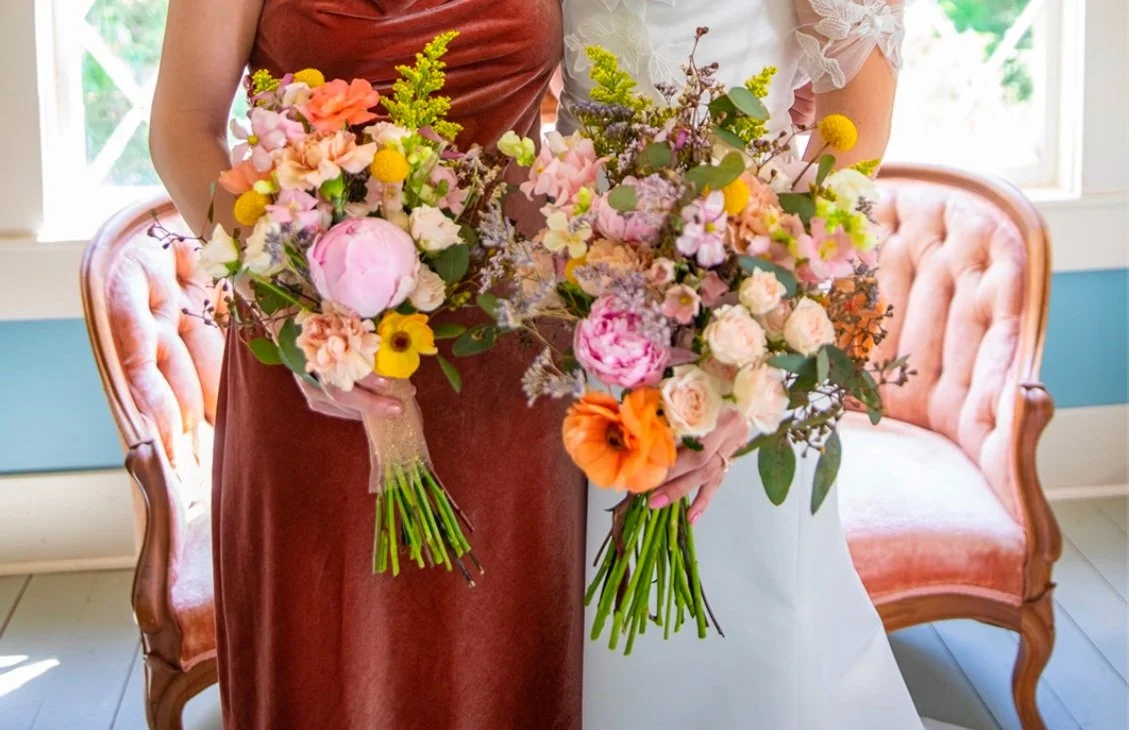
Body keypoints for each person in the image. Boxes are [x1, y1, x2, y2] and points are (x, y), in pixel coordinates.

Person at [149, 2, 585, 728]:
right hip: (308, 338)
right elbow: (180, 130)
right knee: (327, 653)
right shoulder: (299, 318)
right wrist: (295, 313)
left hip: (505, 354)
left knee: (498, 657)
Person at [556, 1, 922, 728]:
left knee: (747, 621)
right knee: (595, 637)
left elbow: (857, 129)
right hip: (587, 308)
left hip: (741, 306)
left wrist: (752, 348)